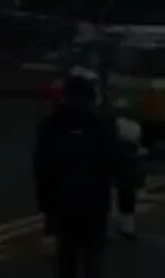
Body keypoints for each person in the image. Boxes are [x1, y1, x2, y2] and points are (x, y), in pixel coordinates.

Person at [33, 75, 124, 278]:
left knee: (66, 261)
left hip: (62, 206)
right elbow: (116, 163)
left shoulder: (50, 125)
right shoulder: (99, 125)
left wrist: (46, 209)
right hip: (94, 205)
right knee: (93, 261)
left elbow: (41, 169)